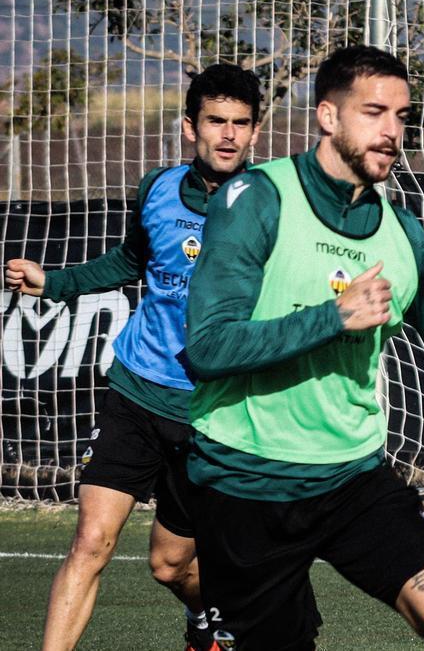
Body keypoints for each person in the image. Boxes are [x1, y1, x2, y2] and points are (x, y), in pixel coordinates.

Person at [183, 45, 424, 651]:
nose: (392, 132)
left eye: (402, 115)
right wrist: (334, 316)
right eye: (373, 112)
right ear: (329, 118)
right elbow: (207, 348)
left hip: (353, 480)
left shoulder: (402, 231)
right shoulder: (257, 199)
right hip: (247, 485)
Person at [5, 64, 263, 651]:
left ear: (256, 133)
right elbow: (128, 262)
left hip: (212, 412)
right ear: (189, 127)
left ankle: (208, 621)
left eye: (240, 124)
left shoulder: (271, 206)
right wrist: (56, 282)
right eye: (215, 121)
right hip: (136, 391)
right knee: (90, 543)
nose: (227, 134)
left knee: (171, 566)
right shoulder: (157, 188)